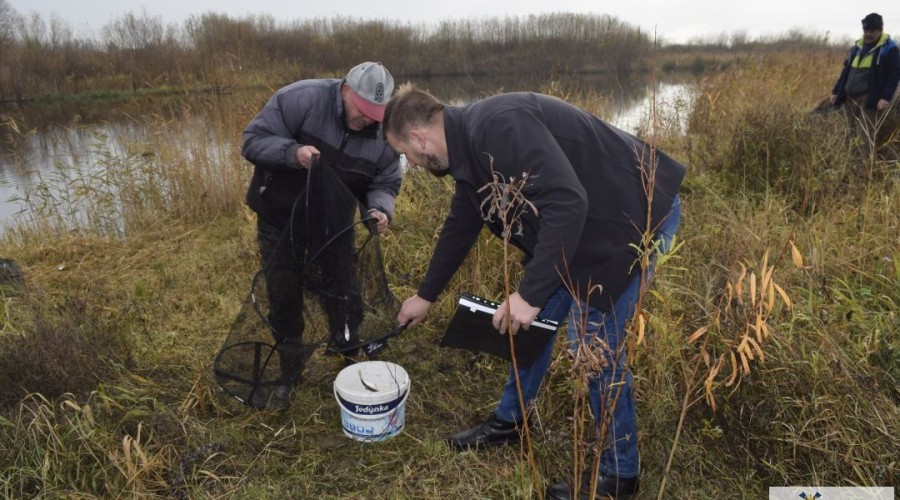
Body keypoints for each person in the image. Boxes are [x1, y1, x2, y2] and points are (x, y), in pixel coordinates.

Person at [383, 84, 685, 499]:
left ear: (418, 138)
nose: (412, 165)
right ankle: (509, 423)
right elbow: (461, 225)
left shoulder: (497, 126)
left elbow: (567, 201)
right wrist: (426, 295)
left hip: (635, 215)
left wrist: (530, 294)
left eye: (406, 154)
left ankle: (620, 476)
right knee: (528, 326)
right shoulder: (469, 152)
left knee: (593, 344)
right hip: (579, 230)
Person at [241, 62, 401, 409]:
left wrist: (380, 209)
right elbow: (252, 141)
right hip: (281, 217)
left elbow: (385, 180)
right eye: (362, 111)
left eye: (376, 114)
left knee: (344, 290)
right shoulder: (300, 99)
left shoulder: (383, 133)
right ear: (345, 90)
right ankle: (289, 370)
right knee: (283, 291)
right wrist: (291, 153)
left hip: (334, 222)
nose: (368, 121)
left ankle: (347, 350)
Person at [829, 13, 900, 131]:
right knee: (847, 133)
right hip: (849, 98)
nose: (868, 34)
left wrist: (885, 97)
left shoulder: (889, 49)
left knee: (865, 135)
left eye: (872, 31)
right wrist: (836, 91)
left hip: (869, 99)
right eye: (866, 31)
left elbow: (895, 74)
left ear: (880, 31)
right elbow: (846, 71)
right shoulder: (857, 47)